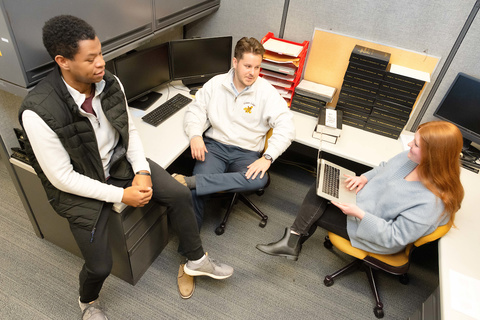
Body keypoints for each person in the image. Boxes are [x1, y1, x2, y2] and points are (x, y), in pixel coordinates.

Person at [19, 15, 233, 319]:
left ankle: (196, 260)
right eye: (91, 58)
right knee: (100, 266)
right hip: (79, 187)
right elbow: (62, 178)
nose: (101, 63)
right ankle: (87, 304)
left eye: (101, 53)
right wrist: (123, 196)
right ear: (63, 61)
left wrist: (142, 171)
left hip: (118, 165)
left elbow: (128, 131)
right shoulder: (38, 112)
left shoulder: (109, 83)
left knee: (179, 192)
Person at [256, 121, 464, 260]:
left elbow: (394, 237)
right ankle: (293, 240)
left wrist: (358, 213)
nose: (410, 144)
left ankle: (291, 240)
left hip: (373, 231)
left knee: (315, 206)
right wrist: (364, 178)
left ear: (434, 156)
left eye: (416, 144)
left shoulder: (430, 202)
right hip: (363, 202)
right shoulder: (411, 159)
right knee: (323, 182)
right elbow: (384, 167)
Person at [175, 36, 295, 227]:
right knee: (195, 193)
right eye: (248, 66)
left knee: (259, 180)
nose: (253, 73)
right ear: (235, 62)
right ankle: (192, 252)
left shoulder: (266, 92)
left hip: (246, 153)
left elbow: (287, 126)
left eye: (257, 67)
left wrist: (268, 157)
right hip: (215, 148)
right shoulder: (216, 84)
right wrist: (196, 135)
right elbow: (195, 110)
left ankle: (194, 182)